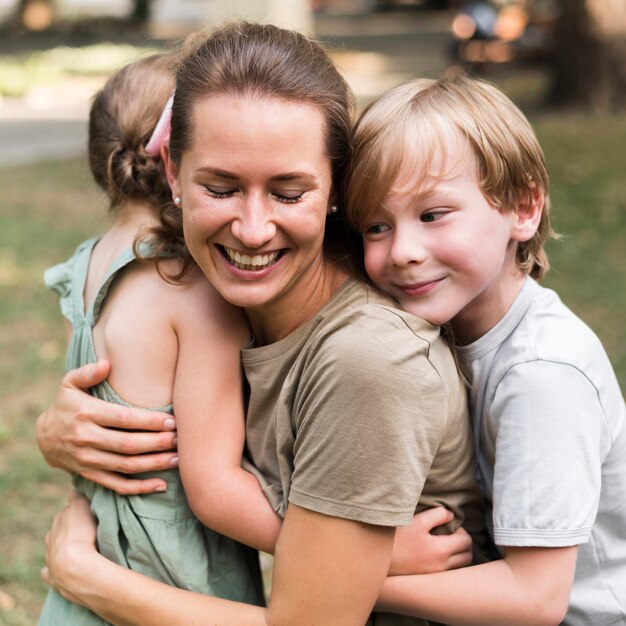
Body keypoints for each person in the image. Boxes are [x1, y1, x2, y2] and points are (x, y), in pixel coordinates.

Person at [39, 22, 487, 625]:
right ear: (171, 171)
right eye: (221, 187)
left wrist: (86, 577)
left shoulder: (367, 359)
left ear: (336, 185)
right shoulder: (230, 314)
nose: (252, 229)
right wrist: (65, 426)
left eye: (288, 192)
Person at [345, 75, 626, 625]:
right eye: (376, 226)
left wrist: (350, 579)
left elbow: (535, 598)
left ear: (522, 208)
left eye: (432, 215)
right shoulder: (425, 330)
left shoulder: (541, 375)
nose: (402, 250)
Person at [37, 51, 267, 626]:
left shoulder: (82, 269)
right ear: (181, 159)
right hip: (171, 581)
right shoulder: (193, 293)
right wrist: (359, 548)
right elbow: (213, 488)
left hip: (87, 575)